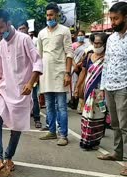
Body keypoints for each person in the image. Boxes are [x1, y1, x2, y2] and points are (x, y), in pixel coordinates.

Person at [0, 9, 42, 171]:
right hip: (5, 91)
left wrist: (31, 83)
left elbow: (37, 62)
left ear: (8, 23)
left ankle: (8, 157)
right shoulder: (0, 46)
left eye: (1, 28)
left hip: (21, 93)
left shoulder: (24, 39)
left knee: (16, 128)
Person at [97, 2, 127, 176]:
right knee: (114, 123)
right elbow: (106, 63)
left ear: (125, 17)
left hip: (124, 86)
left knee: (125, 125)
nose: (113, 22)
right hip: (109, 86)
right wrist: (102, 86)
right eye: (111, 19)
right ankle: (117, 152)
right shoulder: (112, 39)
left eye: (116, 19)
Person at [37, 2, 73, 146]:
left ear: (57, 15)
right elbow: (38, 56)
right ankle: (52, 131)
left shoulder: (64, 31)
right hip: (45, 75)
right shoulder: (41, 33)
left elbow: (69, 53)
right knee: (49, 105)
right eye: (47, 15)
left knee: (61, 106)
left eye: (51, 15)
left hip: (60, 73)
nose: (49, 17)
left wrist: (67, 73)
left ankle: (63, 134)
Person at [74, 33, 108, 151]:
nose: (97, 45)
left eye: (99, 43)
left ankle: (94, 141)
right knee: (86, 115)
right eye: (95, 43)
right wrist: (77, 87)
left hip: (100, 92)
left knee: (98, 116)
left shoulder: (107, 58)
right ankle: (85, 140)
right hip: (88, 89)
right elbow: (83, 72)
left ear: (104, 44)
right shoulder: (89, 56)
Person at [18, 21, 42, 129]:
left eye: (23, 28)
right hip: (21, 75)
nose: (22, 30)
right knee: (20, 96)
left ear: (28, 29)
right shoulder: (17, 42)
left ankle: (37, 119)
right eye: (20, 28)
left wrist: (36, 76)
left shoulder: (34, 41)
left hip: (32, 75)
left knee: (34, 97)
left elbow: (37, 60)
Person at [70, 30, 88, 111]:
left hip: (83, 66)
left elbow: (86, 55)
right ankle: (73, 101)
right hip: (74, 67)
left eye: (82, 35)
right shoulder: (73, 45)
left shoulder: (87, 45)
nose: (80, 36)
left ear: (84, 36)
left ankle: (80, 104)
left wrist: (81, 63)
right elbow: (71, 56)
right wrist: (74, 65)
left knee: (81, 84)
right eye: (79, 35)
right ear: (76, 36)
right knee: (74, 83)